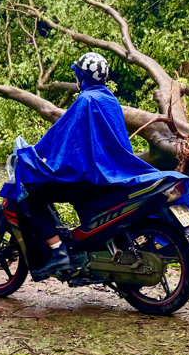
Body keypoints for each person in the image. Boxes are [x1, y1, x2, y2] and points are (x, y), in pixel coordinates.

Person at [11, 52, 161, 277]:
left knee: (33, 196)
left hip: (92, 178)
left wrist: (37, 154)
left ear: (82, 76)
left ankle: (58, 252)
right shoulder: (110, 100)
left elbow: (61, 138)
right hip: (112, 175)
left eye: (77, 74)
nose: (76, 78)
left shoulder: (85, 101)